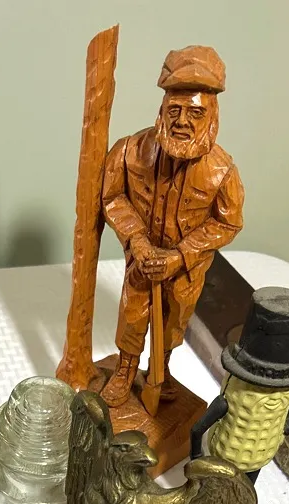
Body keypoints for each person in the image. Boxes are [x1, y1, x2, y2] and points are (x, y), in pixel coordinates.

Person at [101, 45, 244, 408]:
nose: (182, 122)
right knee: (133, 313)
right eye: (175, 110)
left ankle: (159, 371)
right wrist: (137, 241)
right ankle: (125, 369)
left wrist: (180, 256)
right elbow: (112, 198)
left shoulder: (222, 171)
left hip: (185, 268)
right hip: (142, 259)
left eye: (195, 113)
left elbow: (227, 222)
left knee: (174, 321)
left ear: (211, 116)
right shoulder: (129, 151)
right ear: (162, 110)